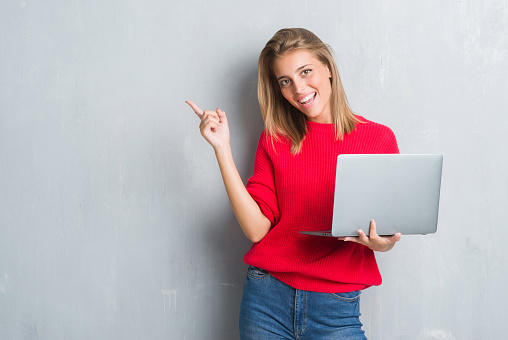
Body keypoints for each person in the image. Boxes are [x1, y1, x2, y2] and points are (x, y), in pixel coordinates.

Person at [186, 28, 401, 340]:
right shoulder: (274, 140)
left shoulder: (378, 138)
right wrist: (222, 150)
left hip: (336, 308)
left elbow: (386, 236)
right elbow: (256, 230)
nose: (298, 88)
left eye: (306, 71)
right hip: (266, 300)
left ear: (328, 68)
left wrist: (381, 242)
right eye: (285, 81)